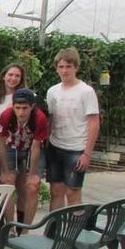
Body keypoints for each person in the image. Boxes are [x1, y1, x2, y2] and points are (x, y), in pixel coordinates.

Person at [45, 47, 99, 210]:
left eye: (68, 66)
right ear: (56, 69)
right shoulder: (52, 91)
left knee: (73, 193)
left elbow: (94, 123)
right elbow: (50, 119)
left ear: (76, 67)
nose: (65, 70)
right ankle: (54, 229)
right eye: (61, 67)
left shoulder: (86, 91)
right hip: (55, 146)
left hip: (76, 148)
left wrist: (87, 153)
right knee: (56, 191)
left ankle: (74, 231)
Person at [0, 88, 49, 227]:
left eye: (25, 108)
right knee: (8, 184)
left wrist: (32, 174)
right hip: (11, 147)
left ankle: (25, 229)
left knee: (32, 187)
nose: (21, 112)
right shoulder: (6, 115)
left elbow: (36, 147)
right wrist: (6, 171)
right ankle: (10, 228)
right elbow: (0, 143)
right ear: (13, 106)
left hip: (31, 148)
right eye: (18, 108)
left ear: (32, 107)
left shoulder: (39, 118)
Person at [0, 63, 27, 184]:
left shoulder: (25, 97)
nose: (13, 78)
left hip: (20, 146)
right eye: (10, 74)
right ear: (3, 77)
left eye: (17, 76)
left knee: (22, 187)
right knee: (0, 183)